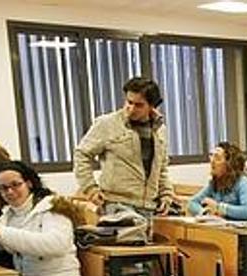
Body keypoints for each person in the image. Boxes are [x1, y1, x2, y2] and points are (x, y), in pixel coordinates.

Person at [73, 76, 174, 215]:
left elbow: (161, 168)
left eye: (139, 105)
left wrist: (166, 195)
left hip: (148, 206)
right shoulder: (107, 124)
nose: (131, 109)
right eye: (129, 102)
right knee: (130, 237)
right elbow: (82, 154)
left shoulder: (160, 130)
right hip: (115, 203)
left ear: (152, 106)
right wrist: (90, 188)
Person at [187, 141, 247, 223]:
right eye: (211, 156)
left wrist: (219, 208)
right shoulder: (214, 184)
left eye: (217, 158)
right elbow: (192, 203)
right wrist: (205, 213)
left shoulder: (244, 183)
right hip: (231, 230)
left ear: (229, 164)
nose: (212, 161)